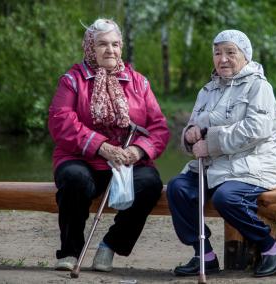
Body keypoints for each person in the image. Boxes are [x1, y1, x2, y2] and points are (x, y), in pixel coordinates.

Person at [48, 18, 170, 272]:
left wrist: (137, 151)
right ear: (89, 47)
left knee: (149, 183)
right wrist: (101, 146)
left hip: (127, 161)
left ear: (121, 47)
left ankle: (109, 246)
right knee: (73, 179)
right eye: (102, 44)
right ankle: (70, 251)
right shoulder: (72, 80)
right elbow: (61, 122)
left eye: (115, 44)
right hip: (83, 159)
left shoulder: (139, 83)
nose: (110, 50)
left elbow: (158, 128)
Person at [166, 29, 276, 277]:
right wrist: (190, 134)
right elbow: (195, 123)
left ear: (245, 56)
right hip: (213, 168)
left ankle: (269, 247)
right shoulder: (207, 90)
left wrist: (211, 145)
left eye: (231, 52)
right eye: (218, 53)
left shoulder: (259, 87)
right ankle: (204, 256)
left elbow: (256, 129)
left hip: (251, 166)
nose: (223, 59)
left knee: (226, 198)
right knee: (177, 188)